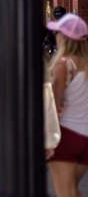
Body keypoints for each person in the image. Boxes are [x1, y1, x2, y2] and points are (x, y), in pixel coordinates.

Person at [47, 13, 88, 197]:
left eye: (58, 33)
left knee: (65, 193)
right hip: (86, 139)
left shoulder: (63, 65)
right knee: (72, 191)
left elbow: (55, 106)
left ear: (64, 37)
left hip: (66, 136)